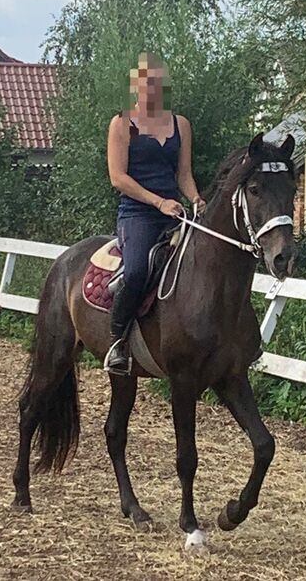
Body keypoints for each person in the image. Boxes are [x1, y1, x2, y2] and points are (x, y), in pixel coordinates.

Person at [105, 51, 206, 375]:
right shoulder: (122, 123)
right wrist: (157, 201)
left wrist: (195, 198)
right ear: (136, 84)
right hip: (137, 214)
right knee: (136, 271)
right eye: (146, 81)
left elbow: (184, 175)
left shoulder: (181, 125)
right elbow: (118, 177)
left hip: (175, 213)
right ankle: (117, 341)